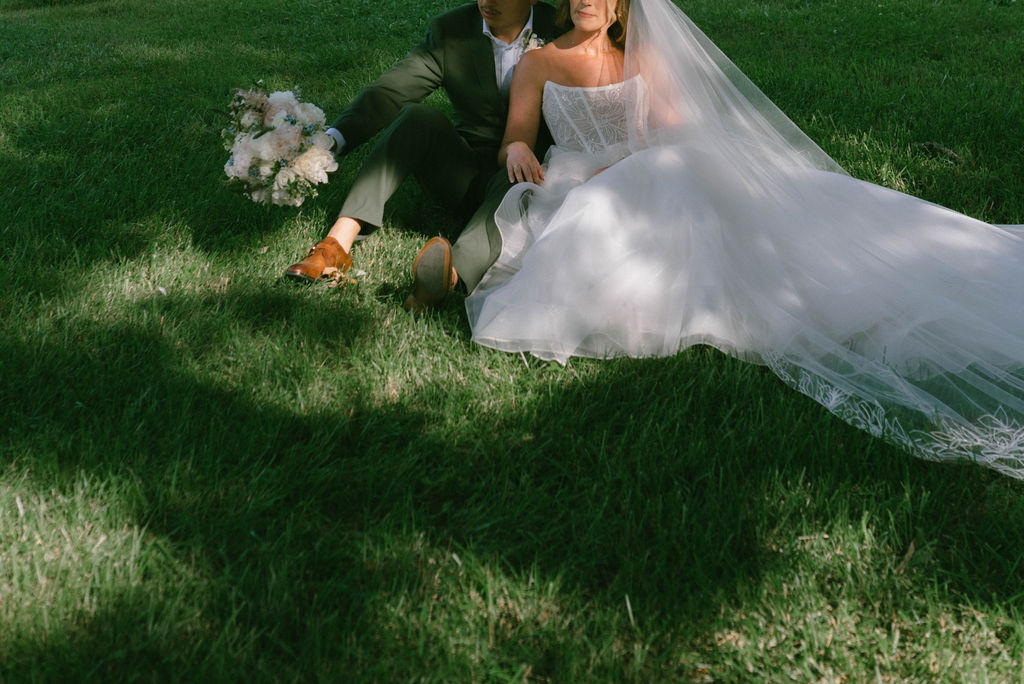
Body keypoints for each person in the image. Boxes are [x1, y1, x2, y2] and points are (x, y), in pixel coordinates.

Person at [464, 0, 1024, 477]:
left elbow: (676, 130)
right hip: (578, 181)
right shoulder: (539, 62)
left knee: (704, 190)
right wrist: (515, 149)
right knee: (596, 213)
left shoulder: (644, 56)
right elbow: (516, 138)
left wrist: (633, 161)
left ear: (620, 3)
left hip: (651, 168)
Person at [283, 0, 562, 312]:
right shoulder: (452, 31)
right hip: (463, 173)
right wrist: (329, 141)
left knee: (517, 178)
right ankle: (337, 243)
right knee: (416, 117)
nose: (487, 1)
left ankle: (449, 276)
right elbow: (390, 92)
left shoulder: (561, 27)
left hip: (528, 178)